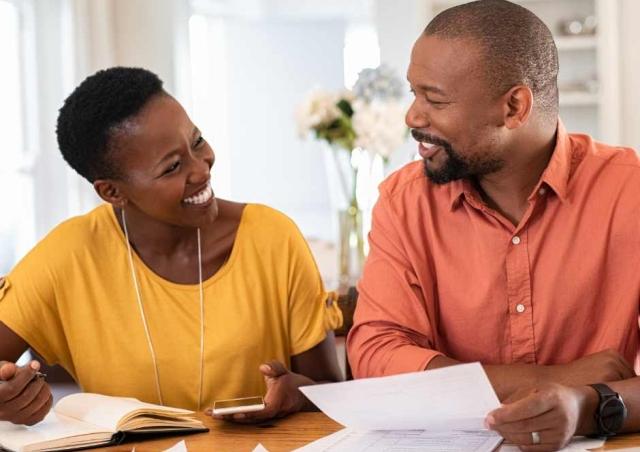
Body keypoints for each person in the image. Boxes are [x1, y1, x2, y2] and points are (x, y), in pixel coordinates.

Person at [347, 0, 640, 450]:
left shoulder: (629, 191)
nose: (413, 117)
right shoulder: (403, 202)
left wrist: (583, 405)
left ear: (514, 107)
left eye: (435, 99)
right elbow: (376, 353)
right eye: (413, 93)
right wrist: (552, 380)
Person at [0, 67, 343, 426]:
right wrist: (8, 399)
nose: (202, 169)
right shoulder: (68, 256)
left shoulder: (272, 238)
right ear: (112, 192)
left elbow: (330, 393)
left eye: (196, 142)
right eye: (173, 167)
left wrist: (293, 394)